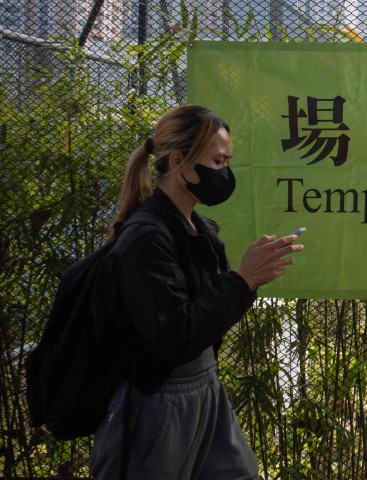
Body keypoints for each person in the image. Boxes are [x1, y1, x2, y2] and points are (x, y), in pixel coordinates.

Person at [88, 104, 302, 480]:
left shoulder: (199, 229)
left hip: (204, 388)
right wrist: (241, 280)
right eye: (218, 162)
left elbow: (204, 320)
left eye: (227, 161)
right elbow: (176, 335)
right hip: (157, 401)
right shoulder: (146, 239)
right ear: (178, 162)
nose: (226, 173)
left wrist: (245, 281)